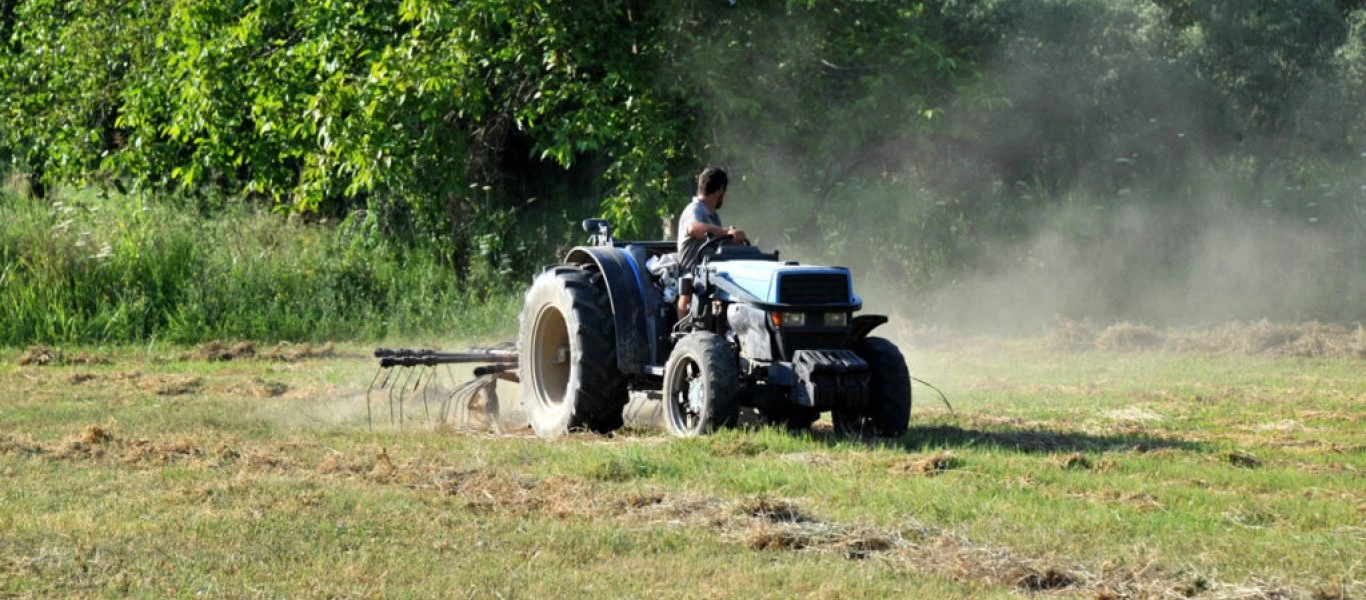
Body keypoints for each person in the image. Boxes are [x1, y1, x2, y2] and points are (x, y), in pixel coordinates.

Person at [676, 166, 746, 318]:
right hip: (692, 269)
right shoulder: (694, 210)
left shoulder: (713, 217)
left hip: (711, 269)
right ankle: (685, 332)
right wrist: (727, 232)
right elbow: (693, 228)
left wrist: (733, 240)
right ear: (720, 190)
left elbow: (717, 242)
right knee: (692, 284)